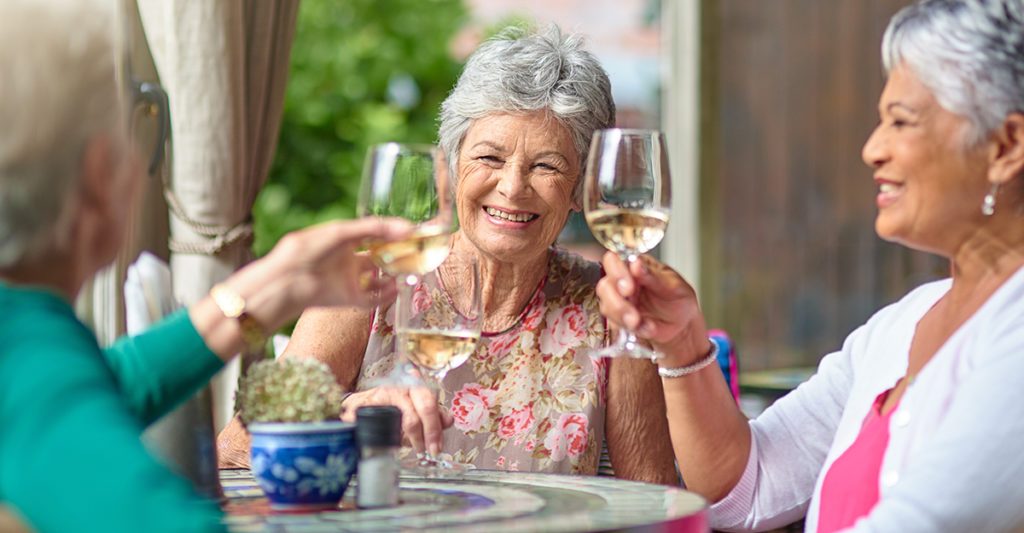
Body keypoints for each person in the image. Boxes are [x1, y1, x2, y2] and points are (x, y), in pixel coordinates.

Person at [597, 0, 1024, 531]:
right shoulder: (902, 325)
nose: (872, 149)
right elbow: (747, 489)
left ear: (1006, 146)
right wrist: (683, 343)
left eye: (901, 122)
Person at [0, 1, 410, 532]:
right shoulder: (36, 374)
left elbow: (110, 381)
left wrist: (273, 284)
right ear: (102, 176)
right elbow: (58, 400)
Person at [217, 25, 677, 482]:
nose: (513, 187)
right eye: (490, 159)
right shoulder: (370, 286)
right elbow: (233, 453)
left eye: (546, 166)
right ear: (454, 166)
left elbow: (656, 502)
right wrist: (346, 424)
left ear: (580, 189)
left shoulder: (611, 311)